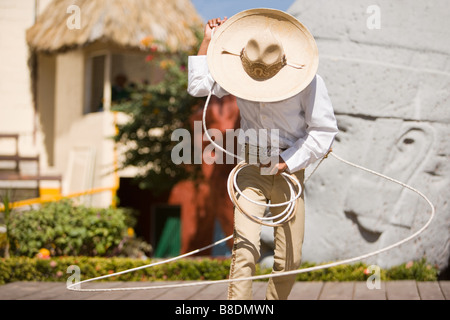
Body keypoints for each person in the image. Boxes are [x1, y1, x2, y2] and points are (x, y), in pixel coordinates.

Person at [187, 9, 338, 300]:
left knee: (289, 259)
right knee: (244, 248)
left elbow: (323, 130)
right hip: (252, 167)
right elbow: (198, 86)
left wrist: (287, 161)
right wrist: (207, 41)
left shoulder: (309, 80)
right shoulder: (237, 74)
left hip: (289, 171)